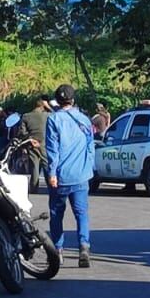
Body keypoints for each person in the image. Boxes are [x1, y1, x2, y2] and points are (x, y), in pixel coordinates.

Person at [45, 84, 96, 268]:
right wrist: (90, 168)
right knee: (81, 214)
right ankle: (84, 247)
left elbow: (53, 150)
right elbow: (91, 146)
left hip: (61, 176)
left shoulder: (53, 120)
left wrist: (51, 173)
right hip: (81, 175)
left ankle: (58, 251)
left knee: (56, 215)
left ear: (57, 101)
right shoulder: (84, 120)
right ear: (73, 100)